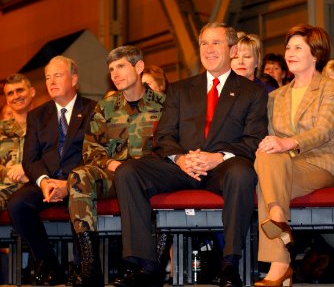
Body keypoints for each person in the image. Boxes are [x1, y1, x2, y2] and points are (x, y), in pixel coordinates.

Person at [112, 22, 268, 287]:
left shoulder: (252, 92)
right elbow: (164, 137)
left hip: (223, 166)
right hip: (182, 166)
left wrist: (217, 157)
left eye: (216, 43)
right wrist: (181, 159)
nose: (208, 49)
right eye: (204, 43)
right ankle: (147, 266)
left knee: (241, 174)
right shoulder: (181, 89)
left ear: (232, 50)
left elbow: (253, 140)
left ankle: (230, 264)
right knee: (128, 171)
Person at [254, 24, 334, 286]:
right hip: (284, 167)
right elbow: (273, 142)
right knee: (266, 156)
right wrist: (275, 145)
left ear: (315, 54)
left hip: (321, 163)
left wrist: (288, 143)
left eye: (298, 48)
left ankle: (279, 260)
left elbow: (325, 130)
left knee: (266, 183)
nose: (290, 53)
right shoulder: (276, 96)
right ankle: (278, 221)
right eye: (288, 48)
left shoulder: (332, 87)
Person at [66, 45, 165, 286]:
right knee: (79, 176)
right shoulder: (106, 107)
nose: (115, 74)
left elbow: (173, 147)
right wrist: (110, 163)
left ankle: (147, 268)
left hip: (150, 178)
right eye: (111, 69)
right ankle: (90, 266)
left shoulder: (164, 105)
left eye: (121, 66)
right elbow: (91, 148)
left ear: (139, 67)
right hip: (113, 175)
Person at [7, 56, 96, 286]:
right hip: (46, 181)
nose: (51, 81)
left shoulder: (92, 110)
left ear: (74, 78)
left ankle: (80, 268)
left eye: (57, 75)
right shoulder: (38, 115)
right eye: (47, 77)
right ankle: (47, 262)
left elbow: (96, 154)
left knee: (79, 197)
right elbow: (30, 159)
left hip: (77, 182)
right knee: (17, 203)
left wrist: (68, 184)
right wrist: (44, 181)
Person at [0, 74, 35, 210]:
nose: (16, 96)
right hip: (4, 188)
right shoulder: (1, 129)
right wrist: (14, 175)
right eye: (10, 93)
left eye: (20, 90)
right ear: (7, 100)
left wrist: (27, 170)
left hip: (36, 188)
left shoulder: (47, 126)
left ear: (32, 92)